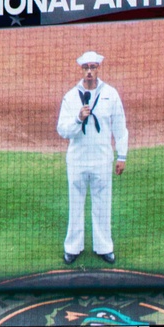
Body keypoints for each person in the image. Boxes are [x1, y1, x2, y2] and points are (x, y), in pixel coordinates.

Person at [57, 50, 128, 266]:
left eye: (93, 67)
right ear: (81, 70)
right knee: (75, 204)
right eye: (86, 68)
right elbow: (62, 130)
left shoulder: (111, 94)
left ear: (98, 69)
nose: (89, 72)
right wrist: (78, 119)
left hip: (102, 159)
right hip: (77, 160)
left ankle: (104, 247)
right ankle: (72, 248)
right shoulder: (70, 97)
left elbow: (120, 128)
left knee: (103, 204)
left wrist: (122, 156)